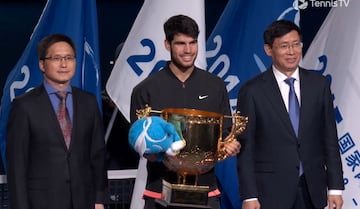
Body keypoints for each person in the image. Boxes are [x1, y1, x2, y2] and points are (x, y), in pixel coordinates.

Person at [130, 14, 241, 209]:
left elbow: (226, 132)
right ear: (167, 44)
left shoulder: (215, 86)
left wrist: (230, 145)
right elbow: (139, 140)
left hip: (206, 191)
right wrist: (154, 153)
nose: (188, 50)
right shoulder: (145, 89)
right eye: (181, 43)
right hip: (159, 192)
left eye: (193, 42)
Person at [236, 20, 344, 209]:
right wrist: (249, 195)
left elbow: (330, 138)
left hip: (313, 189)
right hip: (270, 192)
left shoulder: (319, 85)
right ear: (268, 50)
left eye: (296, 44)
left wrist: (335, 188)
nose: (292, 52)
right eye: (284, 46)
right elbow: (247, 148)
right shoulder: (252, 91)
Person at [6, 34, 108, 209]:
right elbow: (17, 167)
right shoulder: (24, 106)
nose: (64, 64)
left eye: (69, 58)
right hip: (41, 203)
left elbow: (97, 154)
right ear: (42, 64)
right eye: (56, 58)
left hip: (84, 201)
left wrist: (99, 199)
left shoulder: (88, 102)